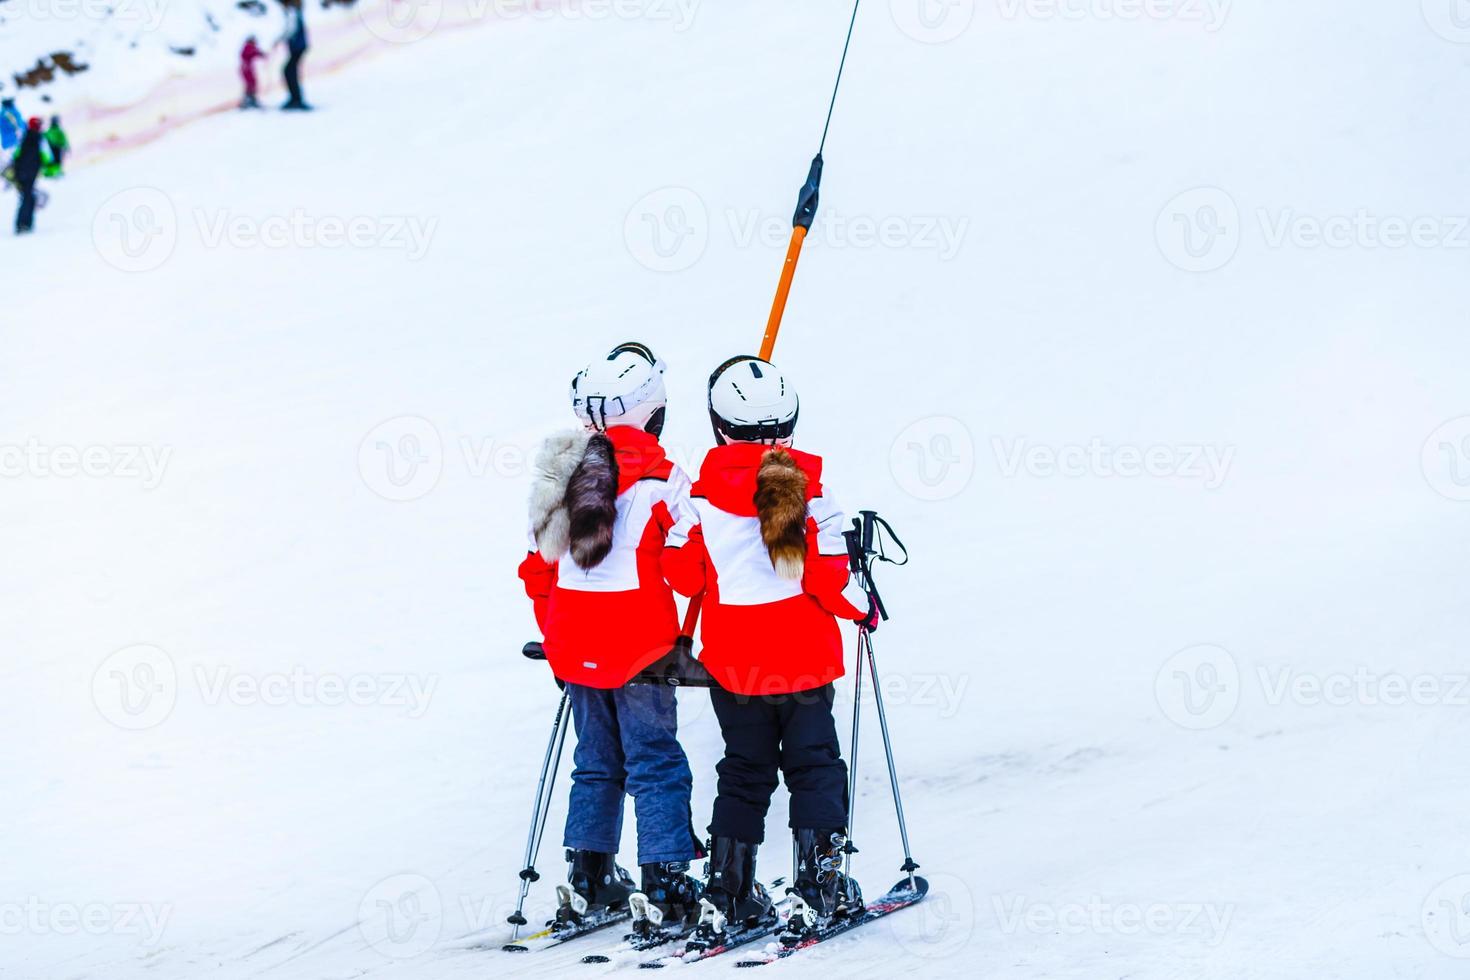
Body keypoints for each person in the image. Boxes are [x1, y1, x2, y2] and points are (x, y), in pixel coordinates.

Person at [661, 355, 876, 950]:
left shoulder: (700, 503)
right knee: (813, 765)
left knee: (744, 770)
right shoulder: (812, 497)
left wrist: (679, 527)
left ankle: (727, 891)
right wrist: (866, 610)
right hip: (803, 661)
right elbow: (827, 581)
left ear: (718, 424)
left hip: (735, 665)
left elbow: (683, 576)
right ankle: (818, 884)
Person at [517, 342, 705, 930]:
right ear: (652, 413)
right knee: (655, 760)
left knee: (596, 761)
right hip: (643, 649)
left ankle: (589, 873)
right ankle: (665, 876)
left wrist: (557, 638)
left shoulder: (561, 476)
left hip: (574, 647)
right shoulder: (666, 481)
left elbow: (538, 571)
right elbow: (687, 571)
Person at [9, 117, 51, 235]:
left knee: (27, 196)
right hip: (31, 173)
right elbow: (46, 157)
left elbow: (15, 154)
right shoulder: (40, 139)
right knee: (28, 197)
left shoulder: (22, 137)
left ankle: (23, 224)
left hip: (20, 172)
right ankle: (23, 224)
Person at [276, 0, 311, 111]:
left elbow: (290, 30)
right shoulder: (295, 11)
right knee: (291, 70)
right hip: (298, 47)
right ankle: (295, 98)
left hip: (297, 47)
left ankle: (296, 99)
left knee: (288, 71)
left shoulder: (292, 12)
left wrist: (278, 39)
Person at [239, 36, 267, 109]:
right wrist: (261, 54)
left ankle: (251, 98)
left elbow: (255, 52)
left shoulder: (249, 47)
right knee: (250, 83)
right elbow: (253, 52)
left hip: (248, 68)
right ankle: (248, 100)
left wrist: (261, 54)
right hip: (246, 69)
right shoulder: (248, 47)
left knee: (252, 83)